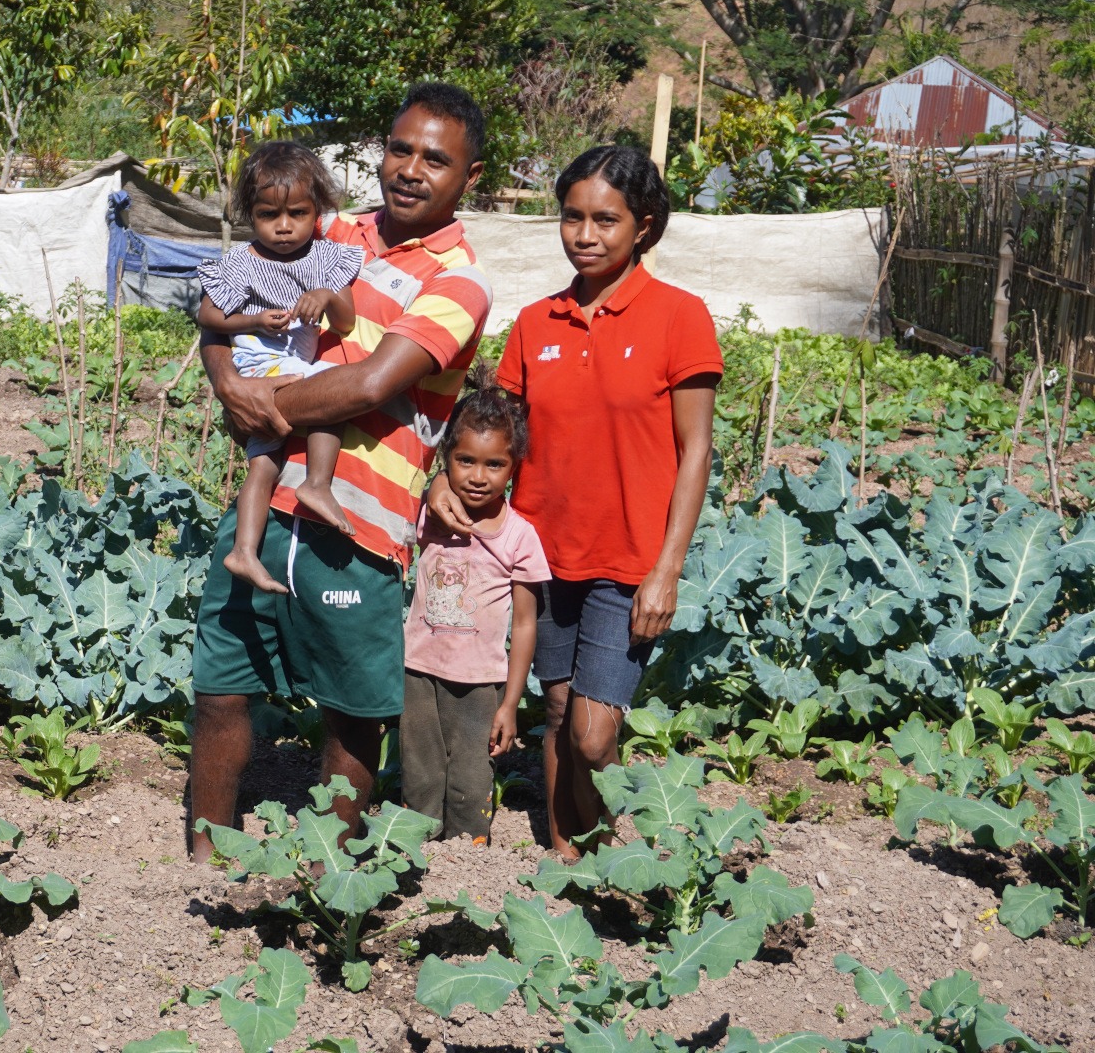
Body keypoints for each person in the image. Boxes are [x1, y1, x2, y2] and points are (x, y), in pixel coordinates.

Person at [188, 83, 493, 862]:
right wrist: (225, 377)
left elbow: (368, 386)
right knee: (223, 685)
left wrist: (266, 402)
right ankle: (203, 856)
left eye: (436, 158)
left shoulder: (459, 281)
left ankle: (330, 871)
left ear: (470, 177)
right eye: (400, 149)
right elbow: (226, 297)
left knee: (351, 711)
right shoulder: (327, 229)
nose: (412, 170)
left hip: (359, 522)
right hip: (267, 501)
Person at [432, 144, 720, 859]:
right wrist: (440, 476)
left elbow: (696, 452)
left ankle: (619, 848)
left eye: (605, 221)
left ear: (644, 226)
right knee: (556, 707)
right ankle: (567, 858)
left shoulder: (680, 317)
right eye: (572, 217)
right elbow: (496, 430)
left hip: (628, 559)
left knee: (593, 734)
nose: (584, 235)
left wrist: (667, 570)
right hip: (542, 553)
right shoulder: (537, 323)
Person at [195, 141, 363, 593]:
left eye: (298, 215)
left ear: (319, 212)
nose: (284, 228)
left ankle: (243, 551)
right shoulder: (242, 264)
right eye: (269, 216)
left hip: (289, 365)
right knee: (334, 393)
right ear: (251, 213)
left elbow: (346, 322)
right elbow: (207, 317)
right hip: (260, 362)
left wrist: (326, 297)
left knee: (263, 464)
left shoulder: (326, 259)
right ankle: (316, 484)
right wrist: (251, 318)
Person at [400, 388, 548, 843]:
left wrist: (510, 702)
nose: (478, 476)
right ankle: (416, 841)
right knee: (419, 766)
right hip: (416, 669)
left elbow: (524, 624)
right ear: (446, 458)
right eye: (465, 460)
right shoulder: (429, 514)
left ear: (514, 466)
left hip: (481, 681)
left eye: (494, 464)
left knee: (470, 774)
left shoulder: (519, 537)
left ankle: (468, 849)